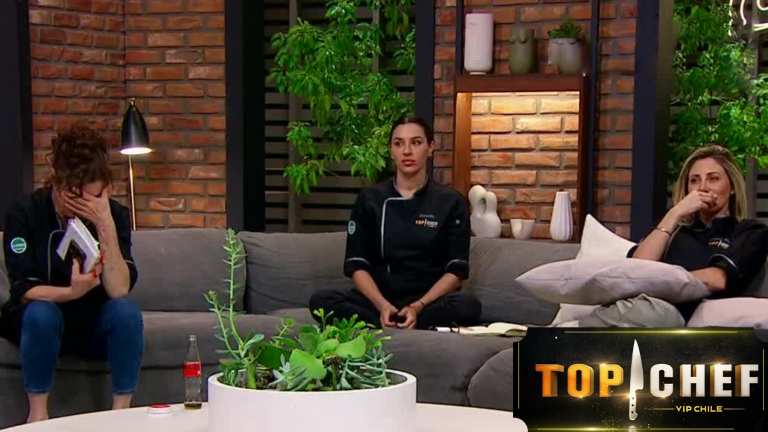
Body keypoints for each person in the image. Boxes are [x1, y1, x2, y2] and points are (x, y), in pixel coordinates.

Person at [0, 124, 143, 423]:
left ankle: (122, 415)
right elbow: (22, 289)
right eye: (79, 198)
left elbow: (119, 289)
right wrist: (71, 292)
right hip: (43, 318)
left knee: (126, 313)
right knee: (41, 313)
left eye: (96, 197)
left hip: (91, 319)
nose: (87, 207)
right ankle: (38, 416)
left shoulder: (113, 214)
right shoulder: (24, 212)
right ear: (58, 183)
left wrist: (104, 223)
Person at [309, 116, 482, 330]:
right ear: (391, 150)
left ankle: (404, 321)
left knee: (468, 306)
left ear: (430, 147)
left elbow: (456, 272)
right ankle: (390, 320)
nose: (407, 151)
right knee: (322, 300)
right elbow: (357, 266)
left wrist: (417, 306)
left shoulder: (451, 201)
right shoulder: (370, 199)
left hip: (428, 302)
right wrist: (383, 306)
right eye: (398, 143)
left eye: (416, 142)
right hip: (378, 301)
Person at [626, 145, 768, 323]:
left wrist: (656, 283)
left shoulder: (749, 231)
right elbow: (636, 269)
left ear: (732, 186)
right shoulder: (670, 229)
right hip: (636, 303)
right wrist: (675, 213)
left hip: (669, 311)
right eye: (694, 180)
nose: (703, 188)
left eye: (713, 179)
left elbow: (716, 279)